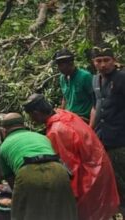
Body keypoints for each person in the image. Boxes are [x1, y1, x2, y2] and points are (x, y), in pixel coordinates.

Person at [24, 93, 120, 220]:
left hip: (90, 177)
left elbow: (69, 168)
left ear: (36, 113)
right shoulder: (66, 115)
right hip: (101, 167)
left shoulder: (56, 131)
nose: (32, 120)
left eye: (31, 116)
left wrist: (69, 197)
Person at [0, 112, 77, 220]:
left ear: (4, 130)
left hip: (28, 172)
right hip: (58, 169)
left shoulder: (3, 147)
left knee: (23, 213)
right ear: (23, 125)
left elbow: (12, 181)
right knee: (64, 213)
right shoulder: (42, 137)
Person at [90, 44, 125, 215]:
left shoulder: (121, 78)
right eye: (99, 61)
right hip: (102, 137)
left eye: (106, 60)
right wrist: (90, 131)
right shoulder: (95, 80)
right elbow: (96, 106)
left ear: (114, 60)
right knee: (111, 179)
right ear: (93, 63)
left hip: (120, 138)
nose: (103, 64)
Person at [53, 48, 94, 121]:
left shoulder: (85, 76)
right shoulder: (62, 78)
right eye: (58, 65)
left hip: (84, 118)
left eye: (62, 65)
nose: (59, 68)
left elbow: (96, 101)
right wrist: (61, 114)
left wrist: (91, 124)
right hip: (69, 118)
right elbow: (65, 98)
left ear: (70, 63)